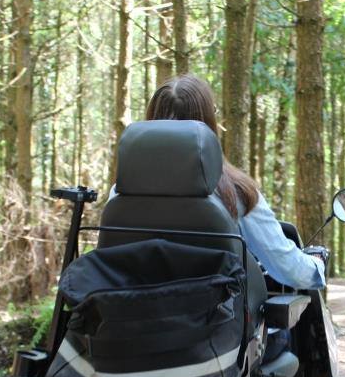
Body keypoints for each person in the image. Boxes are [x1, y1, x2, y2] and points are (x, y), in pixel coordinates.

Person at [114, 74, 326, 292]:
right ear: (209, 125)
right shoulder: (237, 193)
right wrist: (316, 263)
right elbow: (289, 269)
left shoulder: (122, 193)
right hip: (214, 323)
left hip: (125, 321)